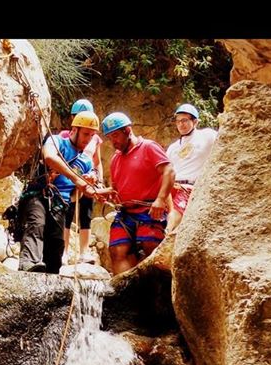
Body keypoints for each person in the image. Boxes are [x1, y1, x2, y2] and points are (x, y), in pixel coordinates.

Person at [17, 111, 105, 274]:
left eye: (92, 135)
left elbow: (84, 191)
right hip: (38, 194)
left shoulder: (86, 162)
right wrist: (77, 179)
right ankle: (28, 265)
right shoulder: (56, 141)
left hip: (60, 204)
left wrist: (95, 188)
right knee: (37, 224)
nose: (88, 139)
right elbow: (49, 157)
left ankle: (50, 274)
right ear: (74, 130)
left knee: (56, 245)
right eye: (85, 134)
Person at [101, 112, 175, 276]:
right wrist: (102, 192)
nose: (113, 141)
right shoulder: (115, 159)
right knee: (117, 250)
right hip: (126, 213)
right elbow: (116, 189)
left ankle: (155, 287)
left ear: (127, 131)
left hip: (149, 210)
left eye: (115, 136)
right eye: (110, 138)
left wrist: (160, 199)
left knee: (150, 247)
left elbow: (169, 171)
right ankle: (125, 290)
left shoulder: (148, 147)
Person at [59, 99, 103, 264]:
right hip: (70, 179)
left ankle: (84, 252)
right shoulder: (65, 136)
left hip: (88, 179)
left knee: (86, 213)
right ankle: (63, 251)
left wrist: (99, 180)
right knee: (67, 213)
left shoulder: (94, 138)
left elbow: (96, 161)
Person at [165, 103, 218, 233]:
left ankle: (167, 233)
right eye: (178, 121)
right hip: (173, 187)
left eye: (184, 120)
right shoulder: (173, 148)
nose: (180, 124)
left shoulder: (207, 136)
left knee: (176, 212)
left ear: (195, 121)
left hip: (191, 187)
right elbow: (166, 172)